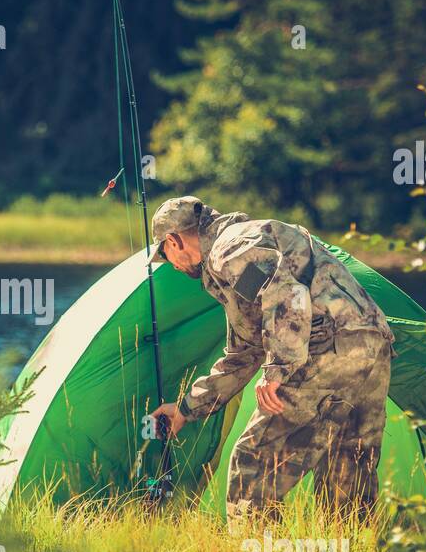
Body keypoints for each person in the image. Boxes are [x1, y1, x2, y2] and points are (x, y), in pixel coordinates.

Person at [148, 197, 395, 524]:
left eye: (166, 257)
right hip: (371, 350)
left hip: (324, 349)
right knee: (348, 472)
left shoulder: (229, 250)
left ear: (173, 241)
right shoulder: (248, 241)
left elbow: (286, 295)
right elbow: (245, 351)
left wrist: (278, 369)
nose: (174, 266)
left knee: (253, 466)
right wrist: (187, 409)